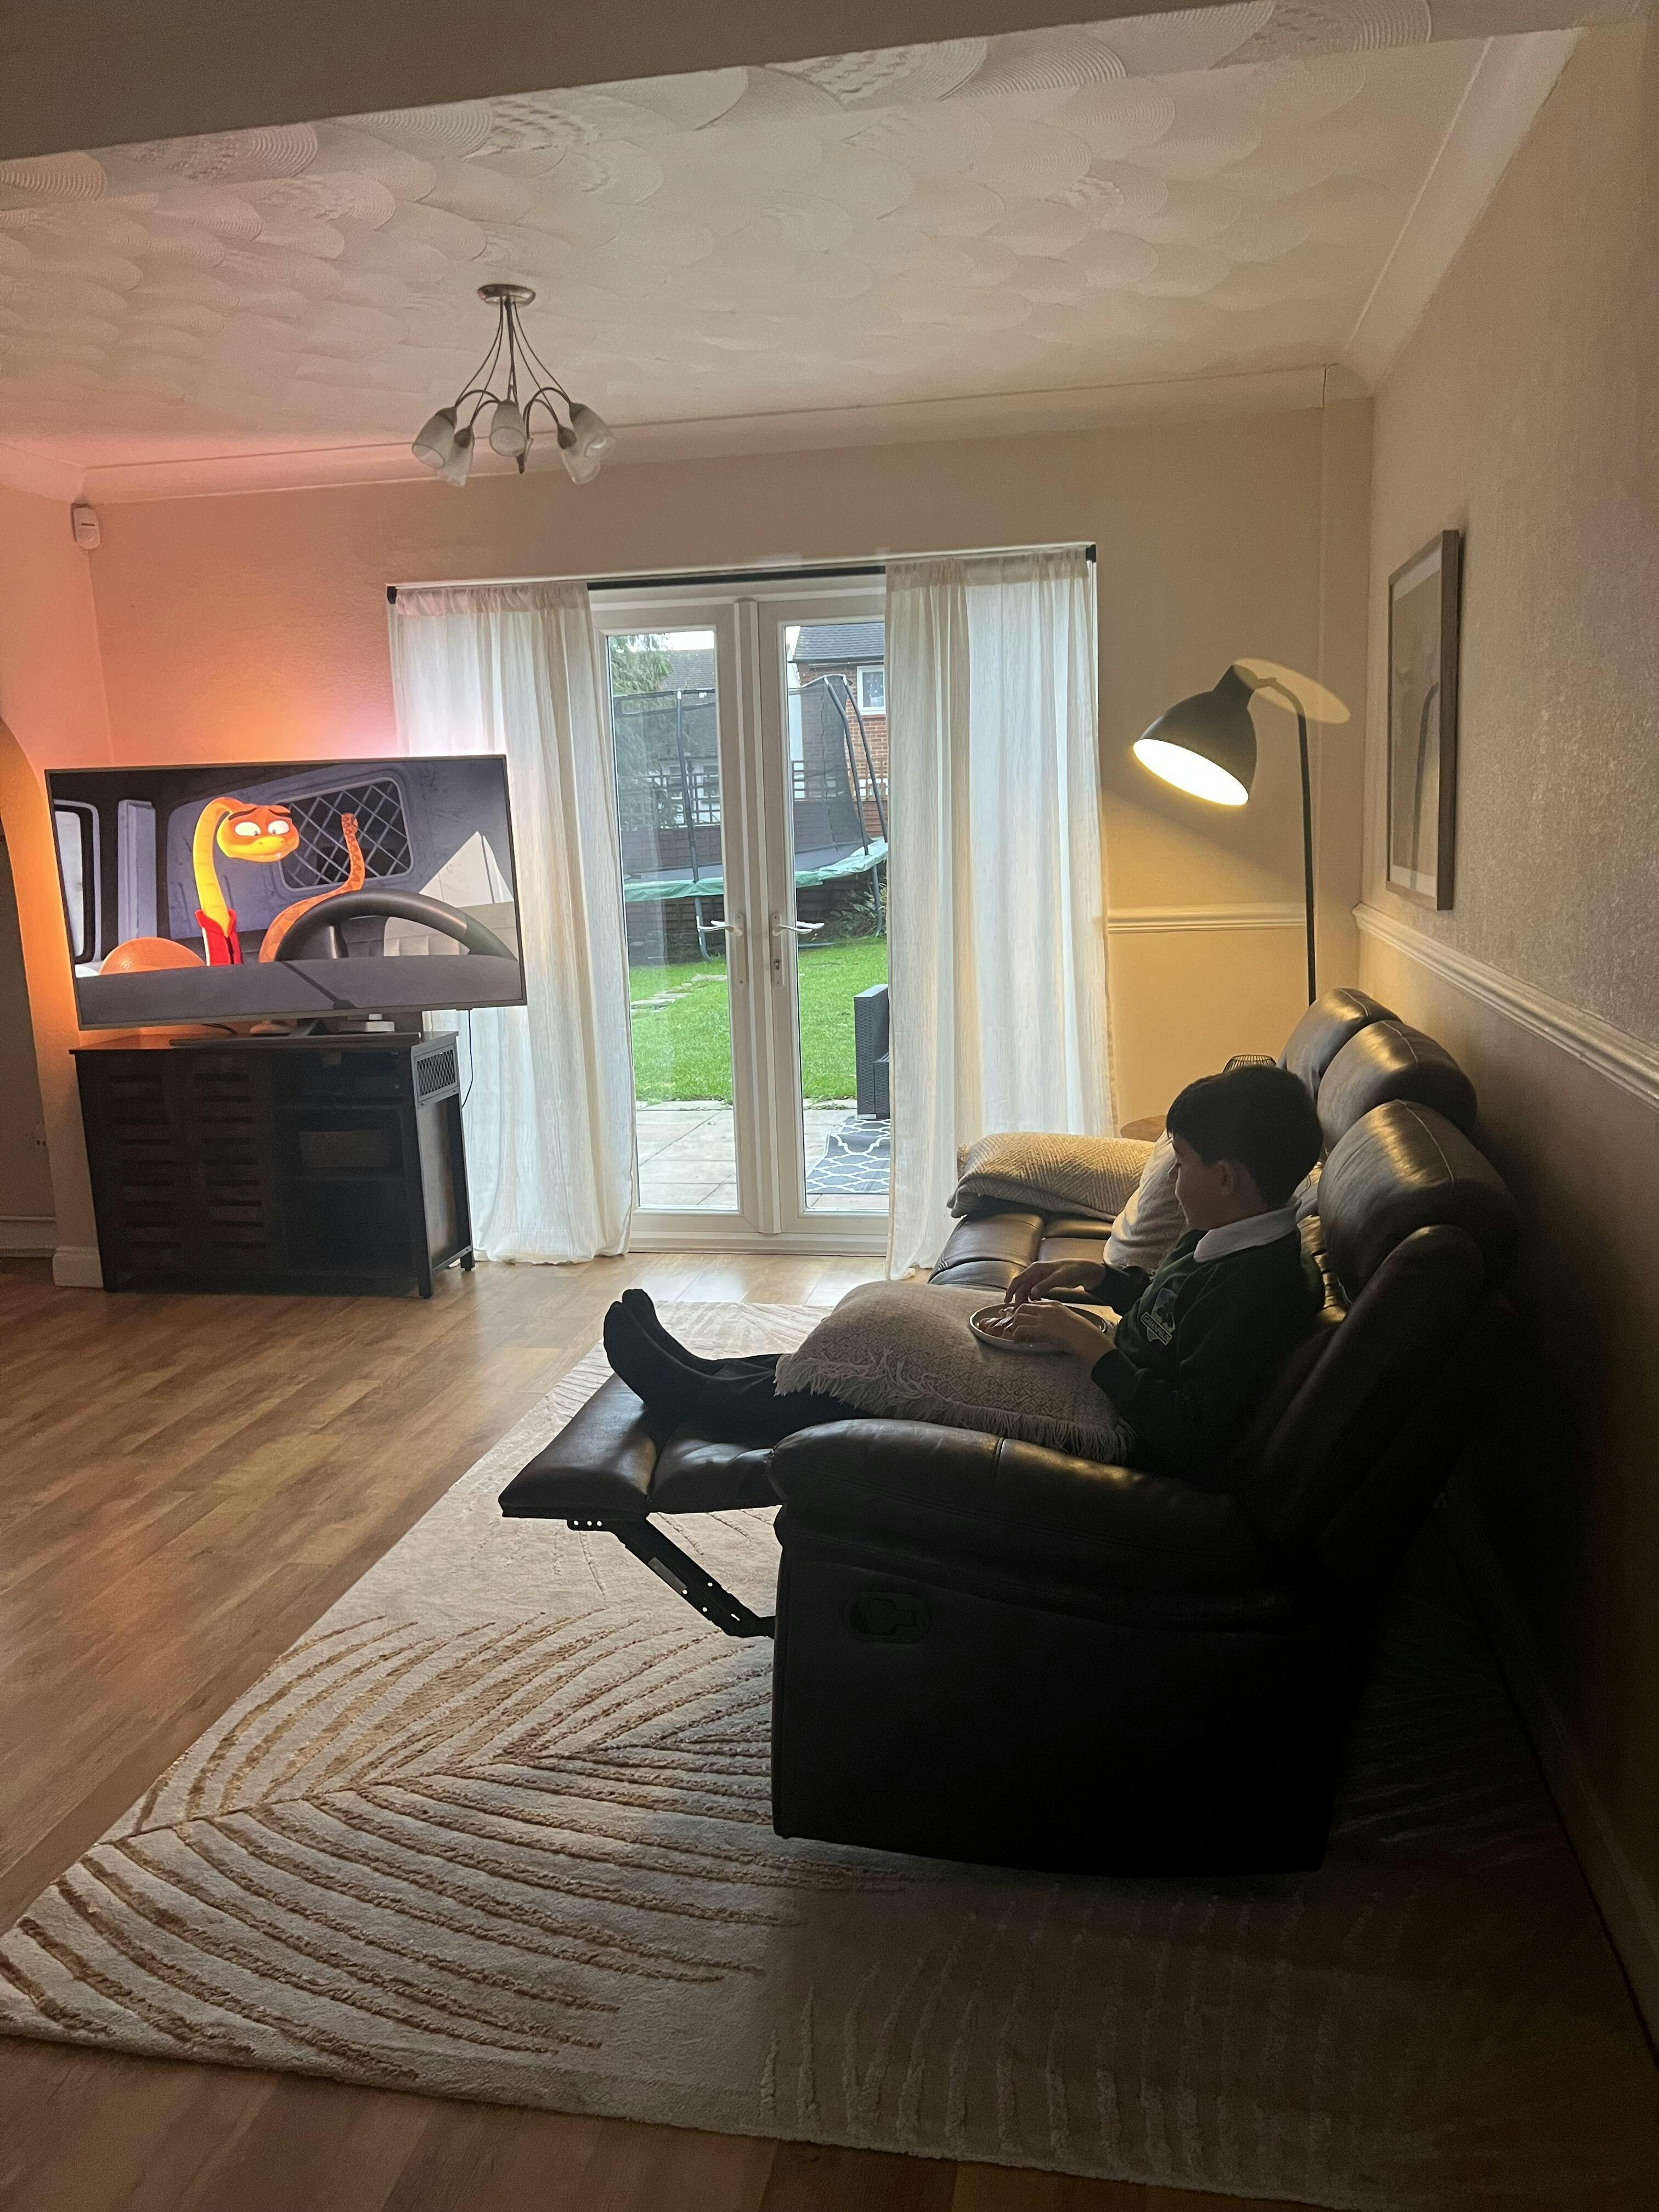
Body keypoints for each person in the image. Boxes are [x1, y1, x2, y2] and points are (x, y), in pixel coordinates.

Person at [601, 1062, 1325, 1480]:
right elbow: (1170, 1311)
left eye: (1182, 1165)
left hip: (1115, 1430)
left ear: (1226, 1177)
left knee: (890, 1380)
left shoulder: (1262, 1286)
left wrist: (1085, 1341)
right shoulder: (1227, 1235)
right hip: (1107, 1380)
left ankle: (696, 1399)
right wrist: (1096, 1279)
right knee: (883, 1331)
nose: (1172, 1181)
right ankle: (711, 1372)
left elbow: (1189, 1432)